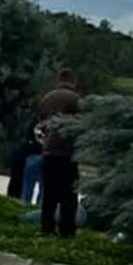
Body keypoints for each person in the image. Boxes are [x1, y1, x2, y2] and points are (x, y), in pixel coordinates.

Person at [37, 70, 83, 237]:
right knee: (69, 196)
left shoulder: (46, 99)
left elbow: (41, 124)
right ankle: (67, 231)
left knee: (49, 194)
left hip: (49, 151)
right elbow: (81, 125)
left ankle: (46, 229)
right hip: (68, 153)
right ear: (73, 82)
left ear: (58, 80)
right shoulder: (76, 100)